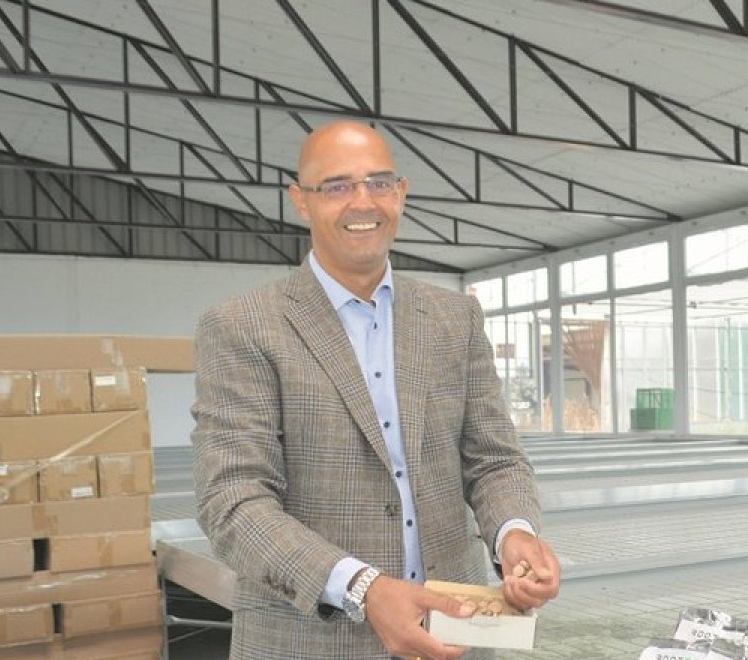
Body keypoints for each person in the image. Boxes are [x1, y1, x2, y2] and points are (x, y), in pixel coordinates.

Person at [191, 120, 560, 660]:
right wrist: (364, 588)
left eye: (378, 183)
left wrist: (514, 535)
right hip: (308, 641)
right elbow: (233, 500)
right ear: (300, 201)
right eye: (337, 186)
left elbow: (494, 459)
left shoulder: (453, 317)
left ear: (401, 193)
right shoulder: (244, 325)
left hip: (454, 635)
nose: (362, 202)